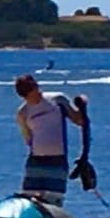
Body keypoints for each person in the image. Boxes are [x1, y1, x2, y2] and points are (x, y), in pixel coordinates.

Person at [13, 73, 91, 201]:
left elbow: (79, 120)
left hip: (57, 159)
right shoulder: (23, 113)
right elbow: (28, 138)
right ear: (25, 95)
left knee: (54, 198)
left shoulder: (57, 100)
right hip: (36, 160)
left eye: (36, 87)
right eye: (33, 90)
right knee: (28, 197)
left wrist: (82, 105)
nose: (38, 91)